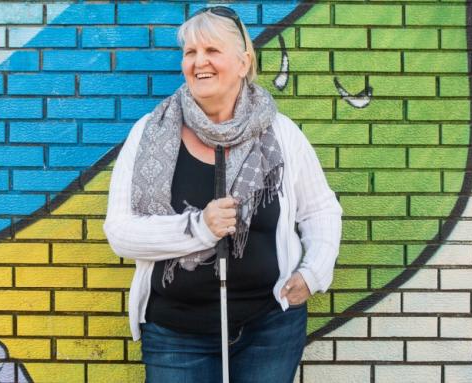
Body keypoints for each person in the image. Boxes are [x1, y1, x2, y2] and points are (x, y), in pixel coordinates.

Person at [103, 6, 342, 383]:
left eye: (212, 51)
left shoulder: (280, 134)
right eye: (190, 53)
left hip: (269, 329)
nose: (199, 62)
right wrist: (200, 227)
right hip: (175, 337)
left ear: (244, 62)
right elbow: (120, 231)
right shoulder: (148, 133)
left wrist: (313, 273)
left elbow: (321, 210)